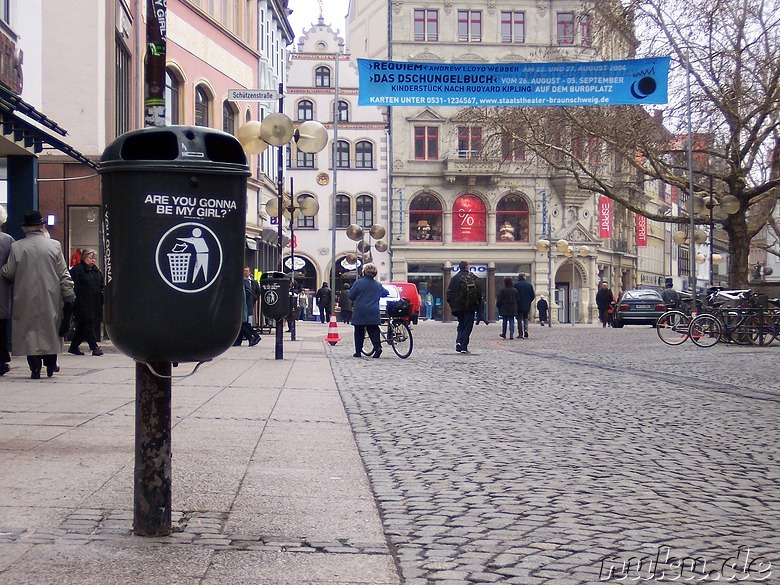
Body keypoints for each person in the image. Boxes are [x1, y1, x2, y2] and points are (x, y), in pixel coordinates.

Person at [1, 210, 75, 379]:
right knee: (50, 330)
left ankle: (34, 368)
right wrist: (69, 293)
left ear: (25, 228)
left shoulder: (16, 246)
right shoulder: (54, 245)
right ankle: (50, 365)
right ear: (42, 226)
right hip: (50, 295)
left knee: (30, 333)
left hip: (25, 296)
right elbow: (63, 273)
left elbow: (9, 272)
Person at [67, 249, 104, 356]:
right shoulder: (77, 270)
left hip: (94, 302)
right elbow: (72, 285)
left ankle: (73, 347)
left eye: (94, 258)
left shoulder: (96, 271)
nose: (93, 260)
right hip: (81, 302)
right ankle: (94, 347)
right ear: (84, 258)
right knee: (87, 323)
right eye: (90, 258)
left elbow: (100, 284)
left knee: (83, 326)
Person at [348, 263, 388, 358]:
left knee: (359, 331)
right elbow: (386, 293)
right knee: (373, 331)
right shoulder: (378, 285)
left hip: (360, 311)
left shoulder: (358, 283)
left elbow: (350, 296)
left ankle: (358, 352)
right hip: (373, 311)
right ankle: (378, 348)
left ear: (364, 272)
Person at [446, 260, 482, 353]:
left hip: (458, 307)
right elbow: (479, 293)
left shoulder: (455, 278)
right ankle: (464, 346)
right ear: (467, 267)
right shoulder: (473, 277)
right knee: (467, 326)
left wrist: (451, 304)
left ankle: (459, 341)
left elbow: (449, 293)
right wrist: (478, 306)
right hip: (470, 306)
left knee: (461, 324)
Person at [0, 206, 13, 376]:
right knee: (1, 327)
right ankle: (2, 360)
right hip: (1, 288)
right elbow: (12, 268)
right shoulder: (8, 240)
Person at [234, 266, 260, 346]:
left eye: (247, 271)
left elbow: (251, 292)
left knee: (241, 323)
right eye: (244, 271)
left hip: (242, 305)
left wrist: (253, 299)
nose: (245, 272)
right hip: (243, 305)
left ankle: (250, 337)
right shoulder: (241, 281)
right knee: (244, 323)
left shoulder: (245, 282)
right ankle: (253, 336)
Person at [513, 272, 535, 339]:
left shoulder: (516, 285)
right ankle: (526, 330)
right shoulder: (529, 285)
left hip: (518, 304)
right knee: (525, 318)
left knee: (519, 319)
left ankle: (520, 333)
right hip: (526, 304)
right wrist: (528, 301)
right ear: (524, 277)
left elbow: (514, 295)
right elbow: (532, 296)